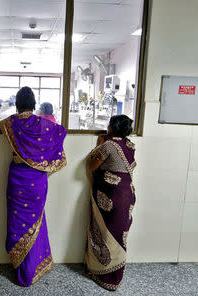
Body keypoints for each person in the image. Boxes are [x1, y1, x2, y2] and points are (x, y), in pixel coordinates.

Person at [0, 86, 67, 286]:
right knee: (35, 219)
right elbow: (63, 131)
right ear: (34, 104)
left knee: (18, 222)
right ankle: (36, 265)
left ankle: (22, 268)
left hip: (17, 179)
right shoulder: (43, 124)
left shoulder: (10, 123)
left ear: (16, 104)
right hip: (37, 180)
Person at [85, 114, 136, 291]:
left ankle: (104, 275)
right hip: (127, 195)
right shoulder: (130, 145)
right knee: (120, 236)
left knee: (106, 235)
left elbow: (92, 166)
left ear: (111, 127)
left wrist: (98, 147)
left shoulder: (107, 145)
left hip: (111, 196)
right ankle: (116, 276)